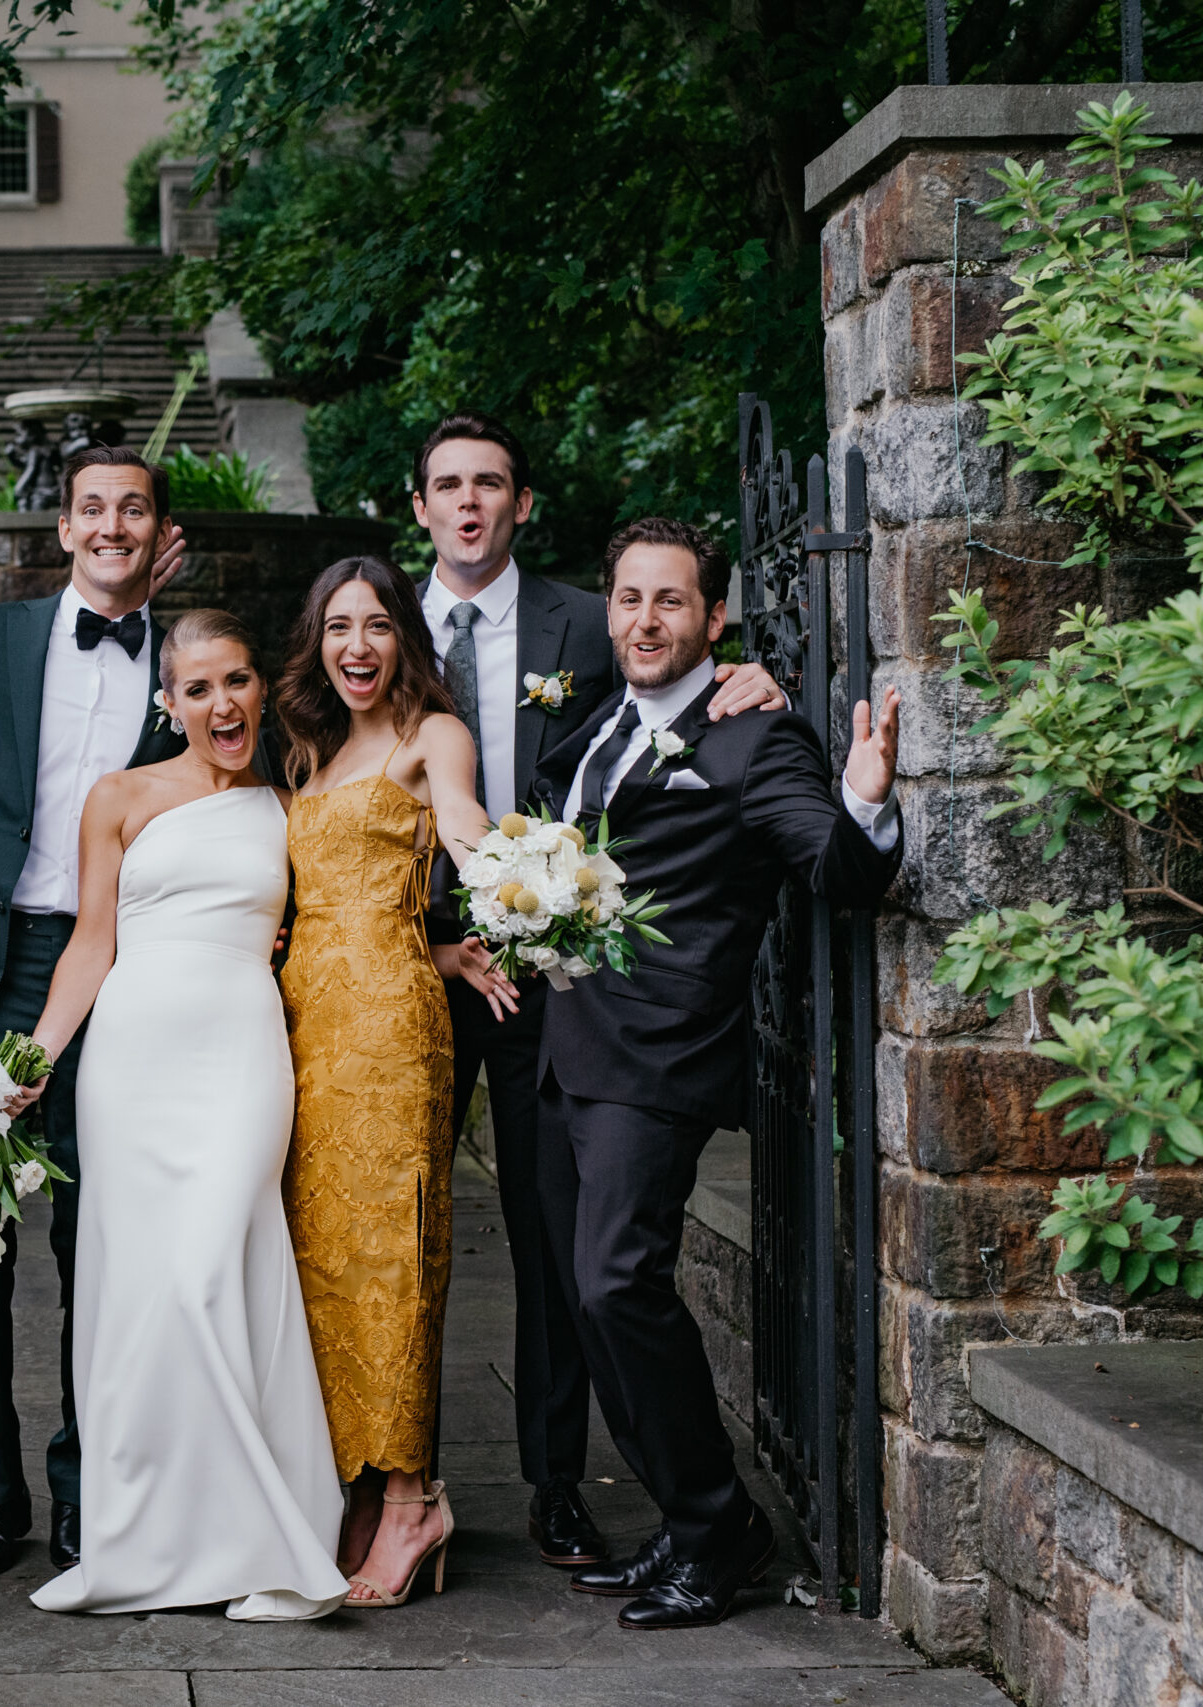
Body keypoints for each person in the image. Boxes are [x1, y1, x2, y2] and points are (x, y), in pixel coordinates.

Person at [407, 412, 786, 1573]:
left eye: (490, 484)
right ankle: (386, 1483)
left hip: (554, 976)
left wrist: (756, 674)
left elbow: (678, 699)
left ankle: (559, 1484)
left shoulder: (590, 618)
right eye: (447, 485)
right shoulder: (373, 626)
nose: (468, 503)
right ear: (419, 506)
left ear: (521, 503)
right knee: (390, 1230)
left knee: (558, 1243)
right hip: (411, 962)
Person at [538, 517, 901, 1631]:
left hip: (660, 1054)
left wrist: (865, 800)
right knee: (589, 1303)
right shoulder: (602, 724)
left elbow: (834, 869)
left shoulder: (754, 739)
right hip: (567, 1049)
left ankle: (720, 1528)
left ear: (713, 618)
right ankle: (687, 1520)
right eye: (629, 599)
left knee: (618, 1286)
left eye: (670, 601)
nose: (645, 621)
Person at [14, 609, 350, 1621]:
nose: (221, 703)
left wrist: (450, 950)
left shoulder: (288, 804)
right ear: (169, 703)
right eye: (197, 688)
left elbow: (346, 921)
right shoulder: (117, 797)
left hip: (242, 1053)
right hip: (130, 1063)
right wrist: (35, 1058)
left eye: (235, 681)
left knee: (214, 1273)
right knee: (142, 1296)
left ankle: (273, 1539)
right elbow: (91, 942)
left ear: (261, 688)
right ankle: (148, 1540)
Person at [0, 446, 189, 1581]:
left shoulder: (187, 661)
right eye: (93, 508)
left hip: (124, 975)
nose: (112, 525)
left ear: (159, 533)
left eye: (133, 509)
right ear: (64, 529)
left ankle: (88, 1490)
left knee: (104, 1242)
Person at [273, 555, 515, 1609]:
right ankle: (363, 1485)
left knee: (393, 1255)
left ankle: (415, 1498)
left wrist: (510, 884)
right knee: (322, 1261)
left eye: (375, 624)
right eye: (338, 626)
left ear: (403, 637)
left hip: (388, 1034)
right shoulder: (310, 749)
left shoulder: (433, 735)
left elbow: (461, 823)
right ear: (317, 643)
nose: (356, 645)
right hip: (299, 1029)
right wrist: (447, 947)